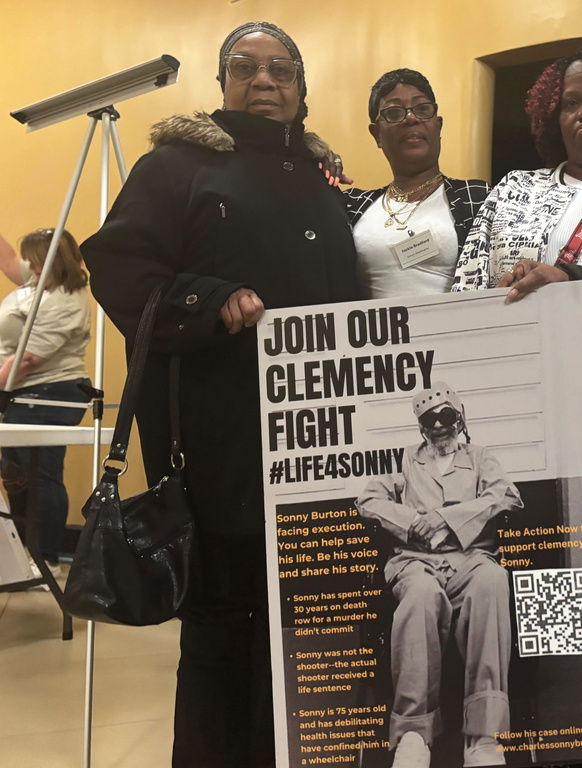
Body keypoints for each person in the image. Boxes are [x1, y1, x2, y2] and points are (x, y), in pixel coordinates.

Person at [80, 21, 358, 767]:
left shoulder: (324, 178)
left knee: (308, 638)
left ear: (302, 88)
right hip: (222, 448)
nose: (264, 81)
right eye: (245, 67)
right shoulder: (177, 164)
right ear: (221, 84)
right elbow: (118, 268)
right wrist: (210, 300)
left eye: (281, 70)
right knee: (224, 634)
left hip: (326, 455)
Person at [452, 37, 582, 768]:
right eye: (571, 101)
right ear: (551, 116)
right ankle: (554, 729)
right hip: (526, 409)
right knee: (544, 568)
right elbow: (463, 297)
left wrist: (574, 285)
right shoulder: (513, 192)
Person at [357, 382, 522, 768]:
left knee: (492, 582)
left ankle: (483, 735)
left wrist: (448, 520)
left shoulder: (480, 458)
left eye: (447, 417)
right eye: (431, 421)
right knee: (420, 597)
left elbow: (508, 495)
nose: (440, 427)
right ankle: (414, 734)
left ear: (460, 419)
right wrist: (413, 521)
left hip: (472, 559)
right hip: (417, 562)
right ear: (420, 429)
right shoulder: (405, 461)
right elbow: (367, 499)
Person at [342, 69, 490, 298]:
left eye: (422, 109)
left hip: (459, 330)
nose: (411, 118)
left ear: (438, 126)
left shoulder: (479, 198)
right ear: (376, 134)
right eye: (393, 112)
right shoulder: (351, 207)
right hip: (378, 334)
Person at [0, 228, 91, 575]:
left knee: (42, 475)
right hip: (20, 392)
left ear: (58, 262)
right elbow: (8, 260)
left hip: (53, 392)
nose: (30, 269)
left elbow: (26, 361)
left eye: (37, 263)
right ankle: (22, 552)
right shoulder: (41, 281)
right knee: (15, 474)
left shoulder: (66, 300)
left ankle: (47, 557)